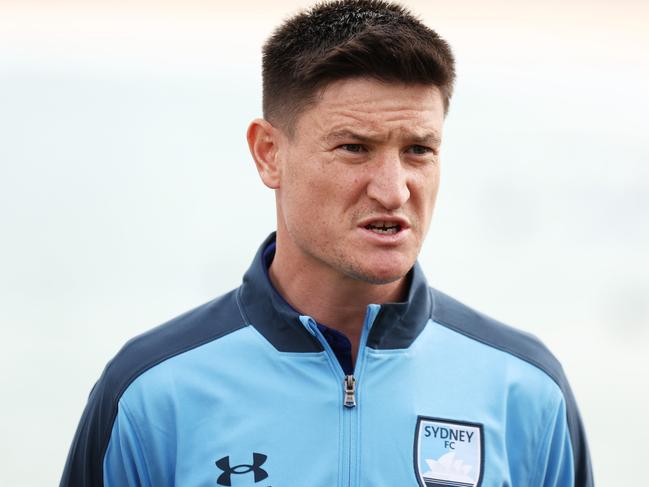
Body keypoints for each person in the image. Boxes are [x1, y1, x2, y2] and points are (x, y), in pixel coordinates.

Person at [60, 1, 593, 486]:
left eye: (419, 150)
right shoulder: (153, 393)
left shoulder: (526, 391)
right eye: (354, 148)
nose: (393, 189)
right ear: (269, 153)